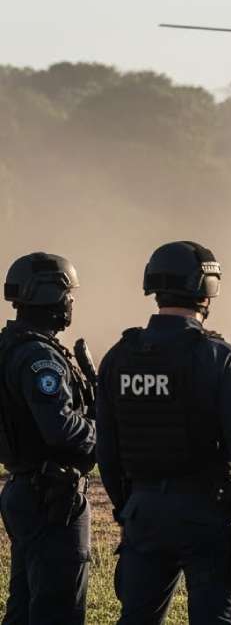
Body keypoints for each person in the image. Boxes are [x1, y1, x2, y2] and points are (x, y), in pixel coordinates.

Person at [95, 241, 231, 625]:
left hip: (144, 511)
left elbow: (108, 450)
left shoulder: (119, 356)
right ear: (207, 289)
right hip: (208, 514)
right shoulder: (219, 357)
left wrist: (128, 510)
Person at [0, 252, 95, 625]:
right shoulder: (40, 358)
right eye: (67, 294)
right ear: (49, 295)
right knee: (59, 611)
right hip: (52, 496)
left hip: (25, 488)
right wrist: (101, 433)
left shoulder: (10, 346)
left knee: (22, 608)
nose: (71, 303)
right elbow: (59, 428)